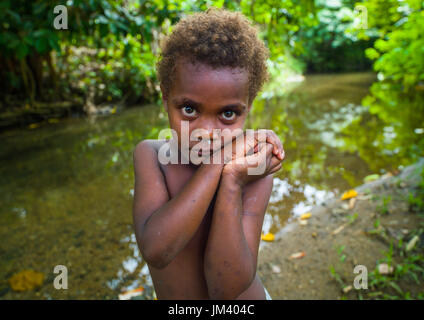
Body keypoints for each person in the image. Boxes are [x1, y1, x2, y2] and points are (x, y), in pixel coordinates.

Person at [132, 8, 285, 300]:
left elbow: (226, 288)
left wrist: (232, 180)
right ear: (165, 97)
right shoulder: (152, 156)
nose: (206, 131)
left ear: (248, 106)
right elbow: (157, 250)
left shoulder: (253, 169)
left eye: (228, 113)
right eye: (189, 109)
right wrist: (217, 164)